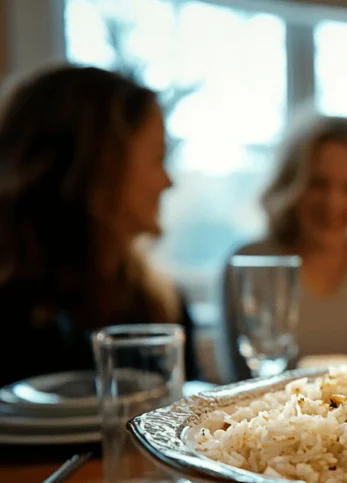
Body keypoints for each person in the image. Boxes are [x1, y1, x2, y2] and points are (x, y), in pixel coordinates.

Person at [0, 65, 200, 387]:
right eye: (156, 158)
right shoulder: (15, 318)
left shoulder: (160, 305)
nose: (167, 182)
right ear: (98, 166)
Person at [220, 114, 347, 381]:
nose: (333, 204)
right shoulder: (251, 265)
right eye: (318, 184)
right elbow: (238, 386)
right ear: (290, 185)